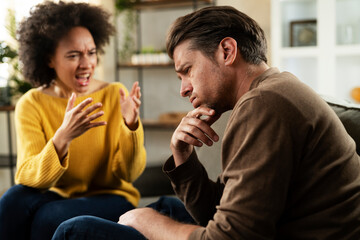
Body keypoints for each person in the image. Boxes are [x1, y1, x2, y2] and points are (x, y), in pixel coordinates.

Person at [51, 5, 360, 240]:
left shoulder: (263, 105)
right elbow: (221, 212)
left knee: (77, 230)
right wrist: (183, 157)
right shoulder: (275, 88)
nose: (183, 88)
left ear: (227, 51)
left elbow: (229, 237)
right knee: (163, 206)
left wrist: (146, 223)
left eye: (187, 70)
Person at [0, 1, 146, 240]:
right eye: (73, 55)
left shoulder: (114, 95)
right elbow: (26, 176)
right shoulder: (32, 103)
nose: (86, 64)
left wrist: (130, 126)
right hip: (59, 194)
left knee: (48, 216)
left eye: (91, 53)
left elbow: (128, 174)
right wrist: (63, 137)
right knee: (12, 200)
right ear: (49, 59)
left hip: (112, 197)